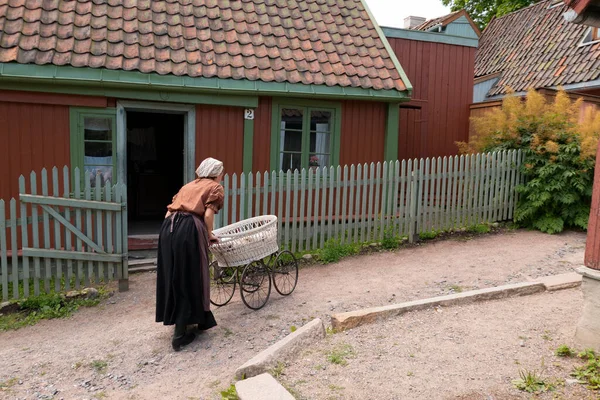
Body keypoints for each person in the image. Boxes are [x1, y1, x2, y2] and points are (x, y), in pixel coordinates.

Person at [155, 157, 225, 351]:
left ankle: (194, 320)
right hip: (189, 228)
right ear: (217, 173)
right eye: (222, 173)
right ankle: (179, 334)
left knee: (174, 274)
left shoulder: (187, 186)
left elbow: (169, 212)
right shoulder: (215, 187)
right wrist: (209, 235)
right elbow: (208, 215)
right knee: (191, 274)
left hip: (168, 228)